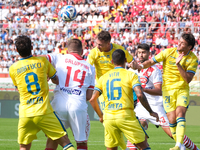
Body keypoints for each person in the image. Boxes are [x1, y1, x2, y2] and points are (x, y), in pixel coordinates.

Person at [130, 33, 198, 150]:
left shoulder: (192, 59)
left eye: (183, 44)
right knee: (138, 126)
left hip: (168, 98)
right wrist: (140, 66)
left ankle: (185, 146)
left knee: (176, 122)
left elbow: (186, 79)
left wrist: (178, 65)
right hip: (152, 100)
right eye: (179, 41)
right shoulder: (167, 52)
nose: (179, 44)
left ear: (189, 47)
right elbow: (150, 62)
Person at [9, 35, 75, 150]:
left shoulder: (13, 68)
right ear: (32, 47)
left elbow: (19, 89)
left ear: (16, 50)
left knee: (24, 147)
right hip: (44, 111)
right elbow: (56, 80)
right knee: (65, 143)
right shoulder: (42, 61)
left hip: (26, 113)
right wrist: (47, 77)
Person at [89, 49, 159, 150]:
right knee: (143, 147)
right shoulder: (131, 75)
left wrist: (101, 116)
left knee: (111, 148)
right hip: (126, 115)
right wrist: (150, 112)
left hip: (109, 117)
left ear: (112, 62)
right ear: (126, 60)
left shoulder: (103, 78)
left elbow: (92, 99)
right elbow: (140, 94)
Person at [45, 39, 95, 150]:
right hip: (78, 105)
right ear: (82, 52)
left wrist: (47, 72)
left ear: (67, 50)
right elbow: (88, 96)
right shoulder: (90, 68)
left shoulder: (59, 58)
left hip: (58, 105)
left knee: (53, 139)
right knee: (81, 143)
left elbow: (42, 58)